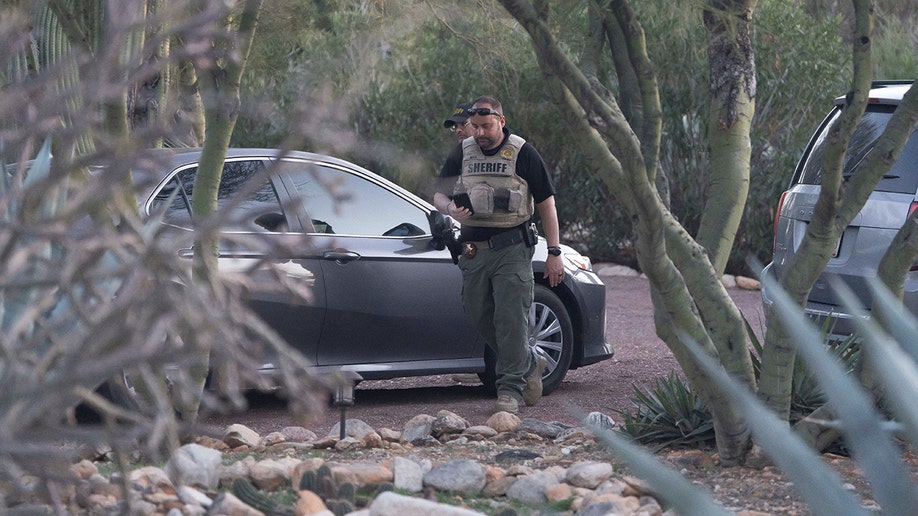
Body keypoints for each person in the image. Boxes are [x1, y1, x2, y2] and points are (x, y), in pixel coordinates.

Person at [433, 95, 564, 414]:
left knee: (510, 318)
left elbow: (547, 203)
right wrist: (449, 208)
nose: (479, 132)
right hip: (473, 251)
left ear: (501, 122)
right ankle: (530, 361)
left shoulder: (522, 152)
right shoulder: (462, 153)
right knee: (478, 312)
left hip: (513, 249)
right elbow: (438, 193)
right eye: (474, 126)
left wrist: (554, 251)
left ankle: (509, 391)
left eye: (486, 126)